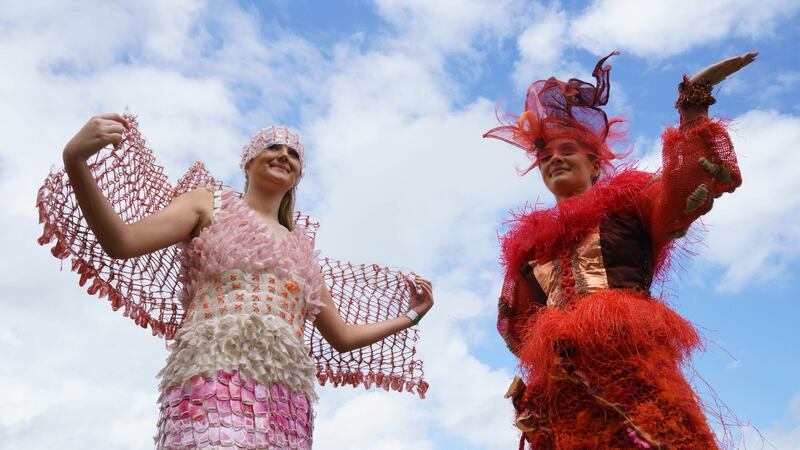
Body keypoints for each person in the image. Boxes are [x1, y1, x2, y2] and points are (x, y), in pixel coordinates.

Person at [38, 120, 434, 449]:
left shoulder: (302, 251)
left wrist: (410, 317)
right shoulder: (208, 204)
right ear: (248, 161)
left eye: (294, 153)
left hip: (286, 402)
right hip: (212, 380)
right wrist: (75, 161)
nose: (284, 155)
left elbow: (342, 337)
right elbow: (121, 243)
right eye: (272, 147)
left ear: (299, 174)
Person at [484, 51, 756, 449]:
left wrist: (694, 103)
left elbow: (681, 187)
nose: (554, 159)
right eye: (544, 157)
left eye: (567, 151)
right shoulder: (530, 249)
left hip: (633, 375)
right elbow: (517, 330)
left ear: (594, 165)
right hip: (564, 394)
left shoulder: (630, 204)